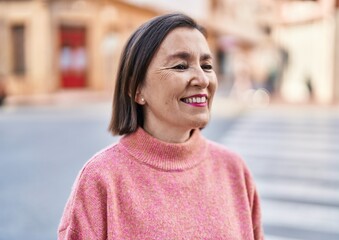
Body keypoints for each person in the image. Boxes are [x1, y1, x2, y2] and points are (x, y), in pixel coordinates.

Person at [58, 13, 263, 240]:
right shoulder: (101, 179)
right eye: (180, 66)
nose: (202, 80)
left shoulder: (233, 170)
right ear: (137, 90)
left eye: (206, 66)